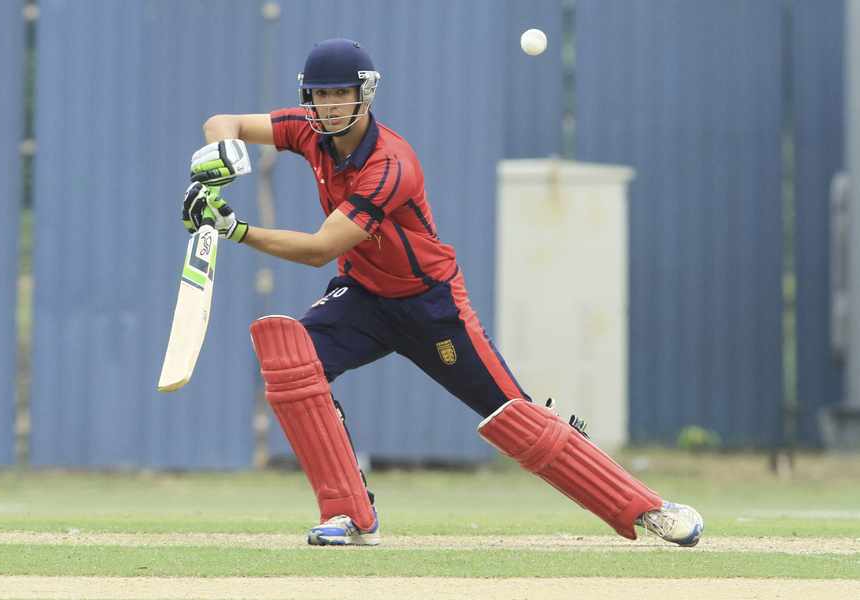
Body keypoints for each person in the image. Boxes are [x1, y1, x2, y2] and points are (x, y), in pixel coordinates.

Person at [182, 38, 703, 547]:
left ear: (365, 94)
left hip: (431, 305)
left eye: (340, 93)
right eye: (319, 95)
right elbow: (224, 123)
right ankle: (347, 513)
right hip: (362, 297)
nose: (328, 105)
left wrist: (234, 229)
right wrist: (220, 159)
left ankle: (648, 509)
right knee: (290, 357)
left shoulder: (390, 164)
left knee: (513, 415)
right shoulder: (306, 131)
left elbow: (321, 248)